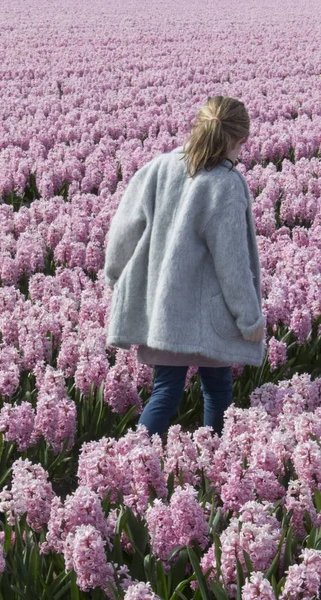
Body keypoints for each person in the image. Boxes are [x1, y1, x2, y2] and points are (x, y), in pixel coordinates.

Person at [104, 96, 266, 439]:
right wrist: (248, 318)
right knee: (218, 390)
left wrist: (117, 276)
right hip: (212, 316)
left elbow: (123, 230)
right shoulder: (225, 184)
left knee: (165, 391)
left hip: (163, 310)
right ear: (238, 140)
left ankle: (135, 457)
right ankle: (216, 459)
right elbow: (232, 262)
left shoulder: (158, 168)